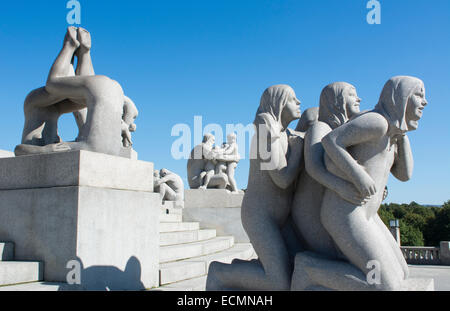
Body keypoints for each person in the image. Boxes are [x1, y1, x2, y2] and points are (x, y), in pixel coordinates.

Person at [316, 76, 427, 290]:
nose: (425, 102)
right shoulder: (376, 122)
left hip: (368, 215)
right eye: (419, 95)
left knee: (403, 273)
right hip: (345, 213)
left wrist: (402, 135)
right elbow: (331, 141)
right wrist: (359, 174)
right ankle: (309, 269)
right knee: (384, 285)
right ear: (402, 97)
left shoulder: (392, 132)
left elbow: (405, 175)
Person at [206, 85, 303, 290]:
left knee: (293, 268)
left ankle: (242, 271)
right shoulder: (265, 131)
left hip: (281, 217)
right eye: (293, 99)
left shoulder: (284, 134)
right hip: (260, 216)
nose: (299, 102)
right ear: (278, 103)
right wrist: (298, 152)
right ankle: (219, 273)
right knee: (279, 282)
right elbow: (282, 178)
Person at [15, 27, 129, 157]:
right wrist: (47, 149)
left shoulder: (85, 147)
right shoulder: (83, 147)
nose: (58, 140)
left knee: (57, 85)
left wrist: (46, 150)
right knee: (61, 85)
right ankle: (77, 50)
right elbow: (20, 149)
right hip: (101, 90)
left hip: (108, 91)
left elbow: (19, 149)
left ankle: (76, 49)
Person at [291, 82, 368, 259]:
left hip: (329, 208)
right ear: (337, 100)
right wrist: (341, 187)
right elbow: (314, 167)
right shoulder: (320, 127)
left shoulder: (342, 131)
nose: (359, 98)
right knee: (336, 257)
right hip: (310, 208)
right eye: (352, 94)